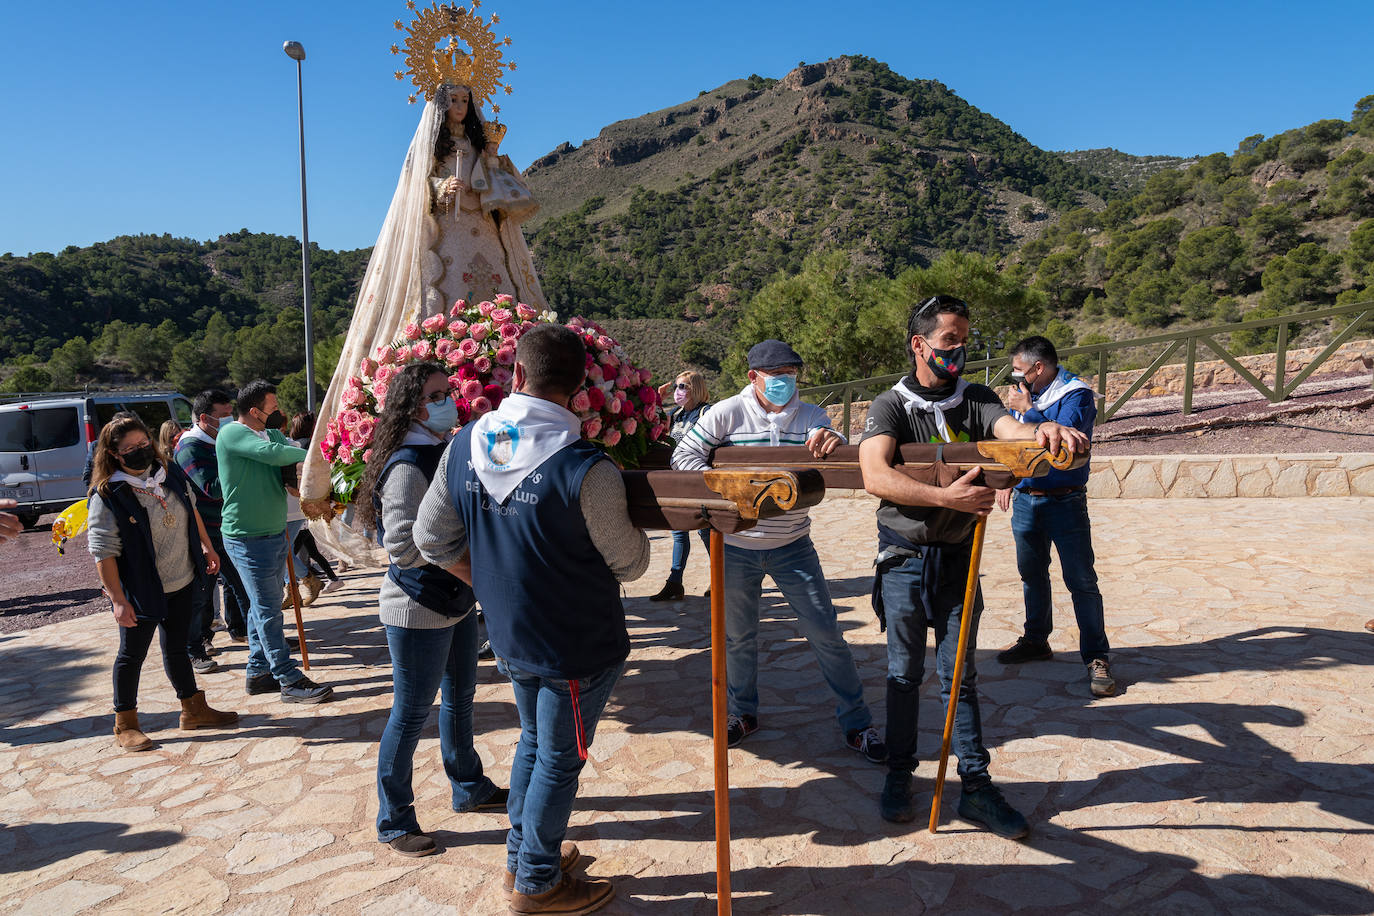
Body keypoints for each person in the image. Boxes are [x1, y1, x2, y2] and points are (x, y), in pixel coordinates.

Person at [416, 325, 648, 914]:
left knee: (534, 746)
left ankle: (523, 859)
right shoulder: (585, 466)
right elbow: (630, 563)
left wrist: (493, 588)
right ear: (578, 392)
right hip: (576, 642)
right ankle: (537, 882)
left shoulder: (467, 443)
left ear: (516, 376)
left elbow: (429, 537)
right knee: (558, 759)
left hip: (511, 634)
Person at [857, 295, 1089, 837]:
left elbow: (1009, 431)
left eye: (964, 340)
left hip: (961, 559)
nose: (960, 351)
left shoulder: (978, 399)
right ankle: (899, 774)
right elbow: (874, 474)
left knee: (959, 677)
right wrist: (946, 501)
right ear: (920, 345)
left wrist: (1043, 431)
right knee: (902, 674)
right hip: (904, 560)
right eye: (949, 341)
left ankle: (976, 788)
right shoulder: (889, 405)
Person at [298, 82, 546, 514]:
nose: (458, 107)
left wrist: (489, 158)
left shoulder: (482, 143)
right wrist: (437, 189)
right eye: (451, 100)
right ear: (438, 105)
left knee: (500, 298)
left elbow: (504, 191)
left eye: (464, 101)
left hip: (483, 234)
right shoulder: (427, 150)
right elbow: (413, 191)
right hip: (445, 240)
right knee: (442, 303)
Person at [671, 339, 886, 763]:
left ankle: (858, 723)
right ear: (753, 377)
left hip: (793, 546)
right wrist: (726, 491)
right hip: (734, 548)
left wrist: (832, 436)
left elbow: (829, 443)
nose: (786, 383)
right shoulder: (726, 413)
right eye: (778, 376)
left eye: (792, 375)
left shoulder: (810, 415)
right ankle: (742, 714)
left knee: (826, 633)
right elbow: (684, 454)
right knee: (738, 638)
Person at [355, 363, 507, 858]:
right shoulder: (406, 465)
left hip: (454, 599)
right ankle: (394, 820)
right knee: (410, 713)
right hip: (417, 604)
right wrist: (464, 559)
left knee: (462, 698)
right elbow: (401, 545)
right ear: (411, 405)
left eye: (449, 392)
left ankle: (469, 787)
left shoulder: (443, 451)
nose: (450, 401)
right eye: (438, 395)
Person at [86, 415, 238, 751]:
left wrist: (207, 546)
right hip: (140, 591)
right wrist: (118, 600)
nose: (141, 451)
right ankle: (125, 722)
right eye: (130, 449)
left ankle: (193, 709)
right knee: (132, 654)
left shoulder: (167, 472)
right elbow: (103, 552)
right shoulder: (108, 495)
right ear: (113, 454)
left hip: (181, 579)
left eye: (144, 444)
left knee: (177, 646)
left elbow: (191, 507)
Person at [994, 336, 1114, 697]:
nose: (1016, 375)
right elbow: (1015, 442)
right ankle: (1036, 639)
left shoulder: (1076, 394)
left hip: (1065, 501)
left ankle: (1096, 656)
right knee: (1031, 574)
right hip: (1026, 499)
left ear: (1039, 368)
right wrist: (1007, 478)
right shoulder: (1025, 396)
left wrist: (1029, 410)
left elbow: (1061, 440)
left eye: (1019, 369)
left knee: (1081, 581)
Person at [217, 380, 332, 704]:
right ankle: (287, 678)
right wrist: (318, 452)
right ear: (254, 411)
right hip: (247, 538)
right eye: (272, 407)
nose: (278, 412)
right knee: (268, 609)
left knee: (260, 606)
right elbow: (272, 454)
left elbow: (282, 460)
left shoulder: (274, 433)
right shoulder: (233, 433)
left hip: (274, 532)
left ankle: (258, 673)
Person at [175, 389, 249, 665]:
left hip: (226, 526)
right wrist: (242, 463)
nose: (230, 422)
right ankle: (195, 647)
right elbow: (212, 488)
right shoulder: (190, 447)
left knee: (240, 585)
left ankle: (243, 630)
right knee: (201, 593)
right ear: (204, 418)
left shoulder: (219, 442)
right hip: (202, 532)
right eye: (225, 417)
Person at [650, 370, 712, 601]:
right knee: (678, 531)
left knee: (706, 531)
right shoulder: (676, 414)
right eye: (677, 387)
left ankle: (720, 577)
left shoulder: (707, 411)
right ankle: (675, 582)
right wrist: (657, 399)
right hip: (677, 480)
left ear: (695, 388)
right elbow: (655, 428)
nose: (678, 391)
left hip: (698, 480)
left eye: (683, 386)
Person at [285, 413, 342, 600]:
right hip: (310, 504)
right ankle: (322, 580)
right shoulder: (312, 445)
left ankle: (299, 585)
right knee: (307, 550)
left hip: (298, 506)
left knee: (287, 554)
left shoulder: (296, 446)